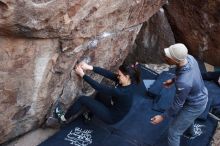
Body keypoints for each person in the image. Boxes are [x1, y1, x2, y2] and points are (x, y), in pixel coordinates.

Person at [150, 43, 208, 146]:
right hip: (197, 96)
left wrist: (162, 117)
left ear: (176, 60)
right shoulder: (190, 58)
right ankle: (191, 133)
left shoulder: (183, 83)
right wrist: (173, 80)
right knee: (187, 118)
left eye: (168, 57)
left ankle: (190, 132)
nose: (165, 57)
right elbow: (182, 73)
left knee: (173, 132)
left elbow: (177, 105)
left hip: (195, 105)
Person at [54, 61, 140, 124]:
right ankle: (89, 115)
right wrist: (89, 67)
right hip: (114, 106)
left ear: (127, 76)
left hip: (112, 116)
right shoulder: (129, 81)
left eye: (119, 75)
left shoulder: (122, 91)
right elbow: (107, 73)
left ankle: (63, 119)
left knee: (83, 99)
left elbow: (99, 87)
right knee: (101, 94)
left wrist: (82, 74)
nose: (117, 76)